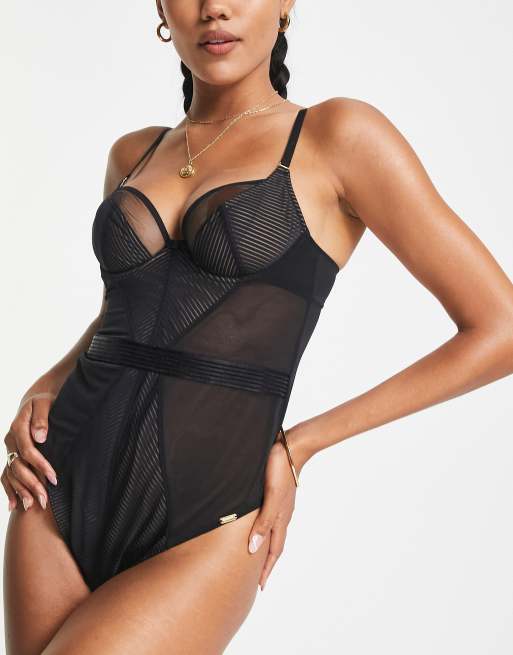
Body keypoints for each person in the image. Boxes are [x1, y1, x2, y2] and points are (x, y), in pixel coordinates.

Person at [3, 1, 513, 653]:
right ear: (161, 8)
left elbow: (499, 327)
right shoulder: (133, 153)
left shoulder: (337, 136)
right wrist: (45, 383)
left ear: (286, 3)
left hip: (208, 520)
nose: (215, 7)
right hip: (54, 491)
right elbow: (123, 317)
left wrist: (302, 444)